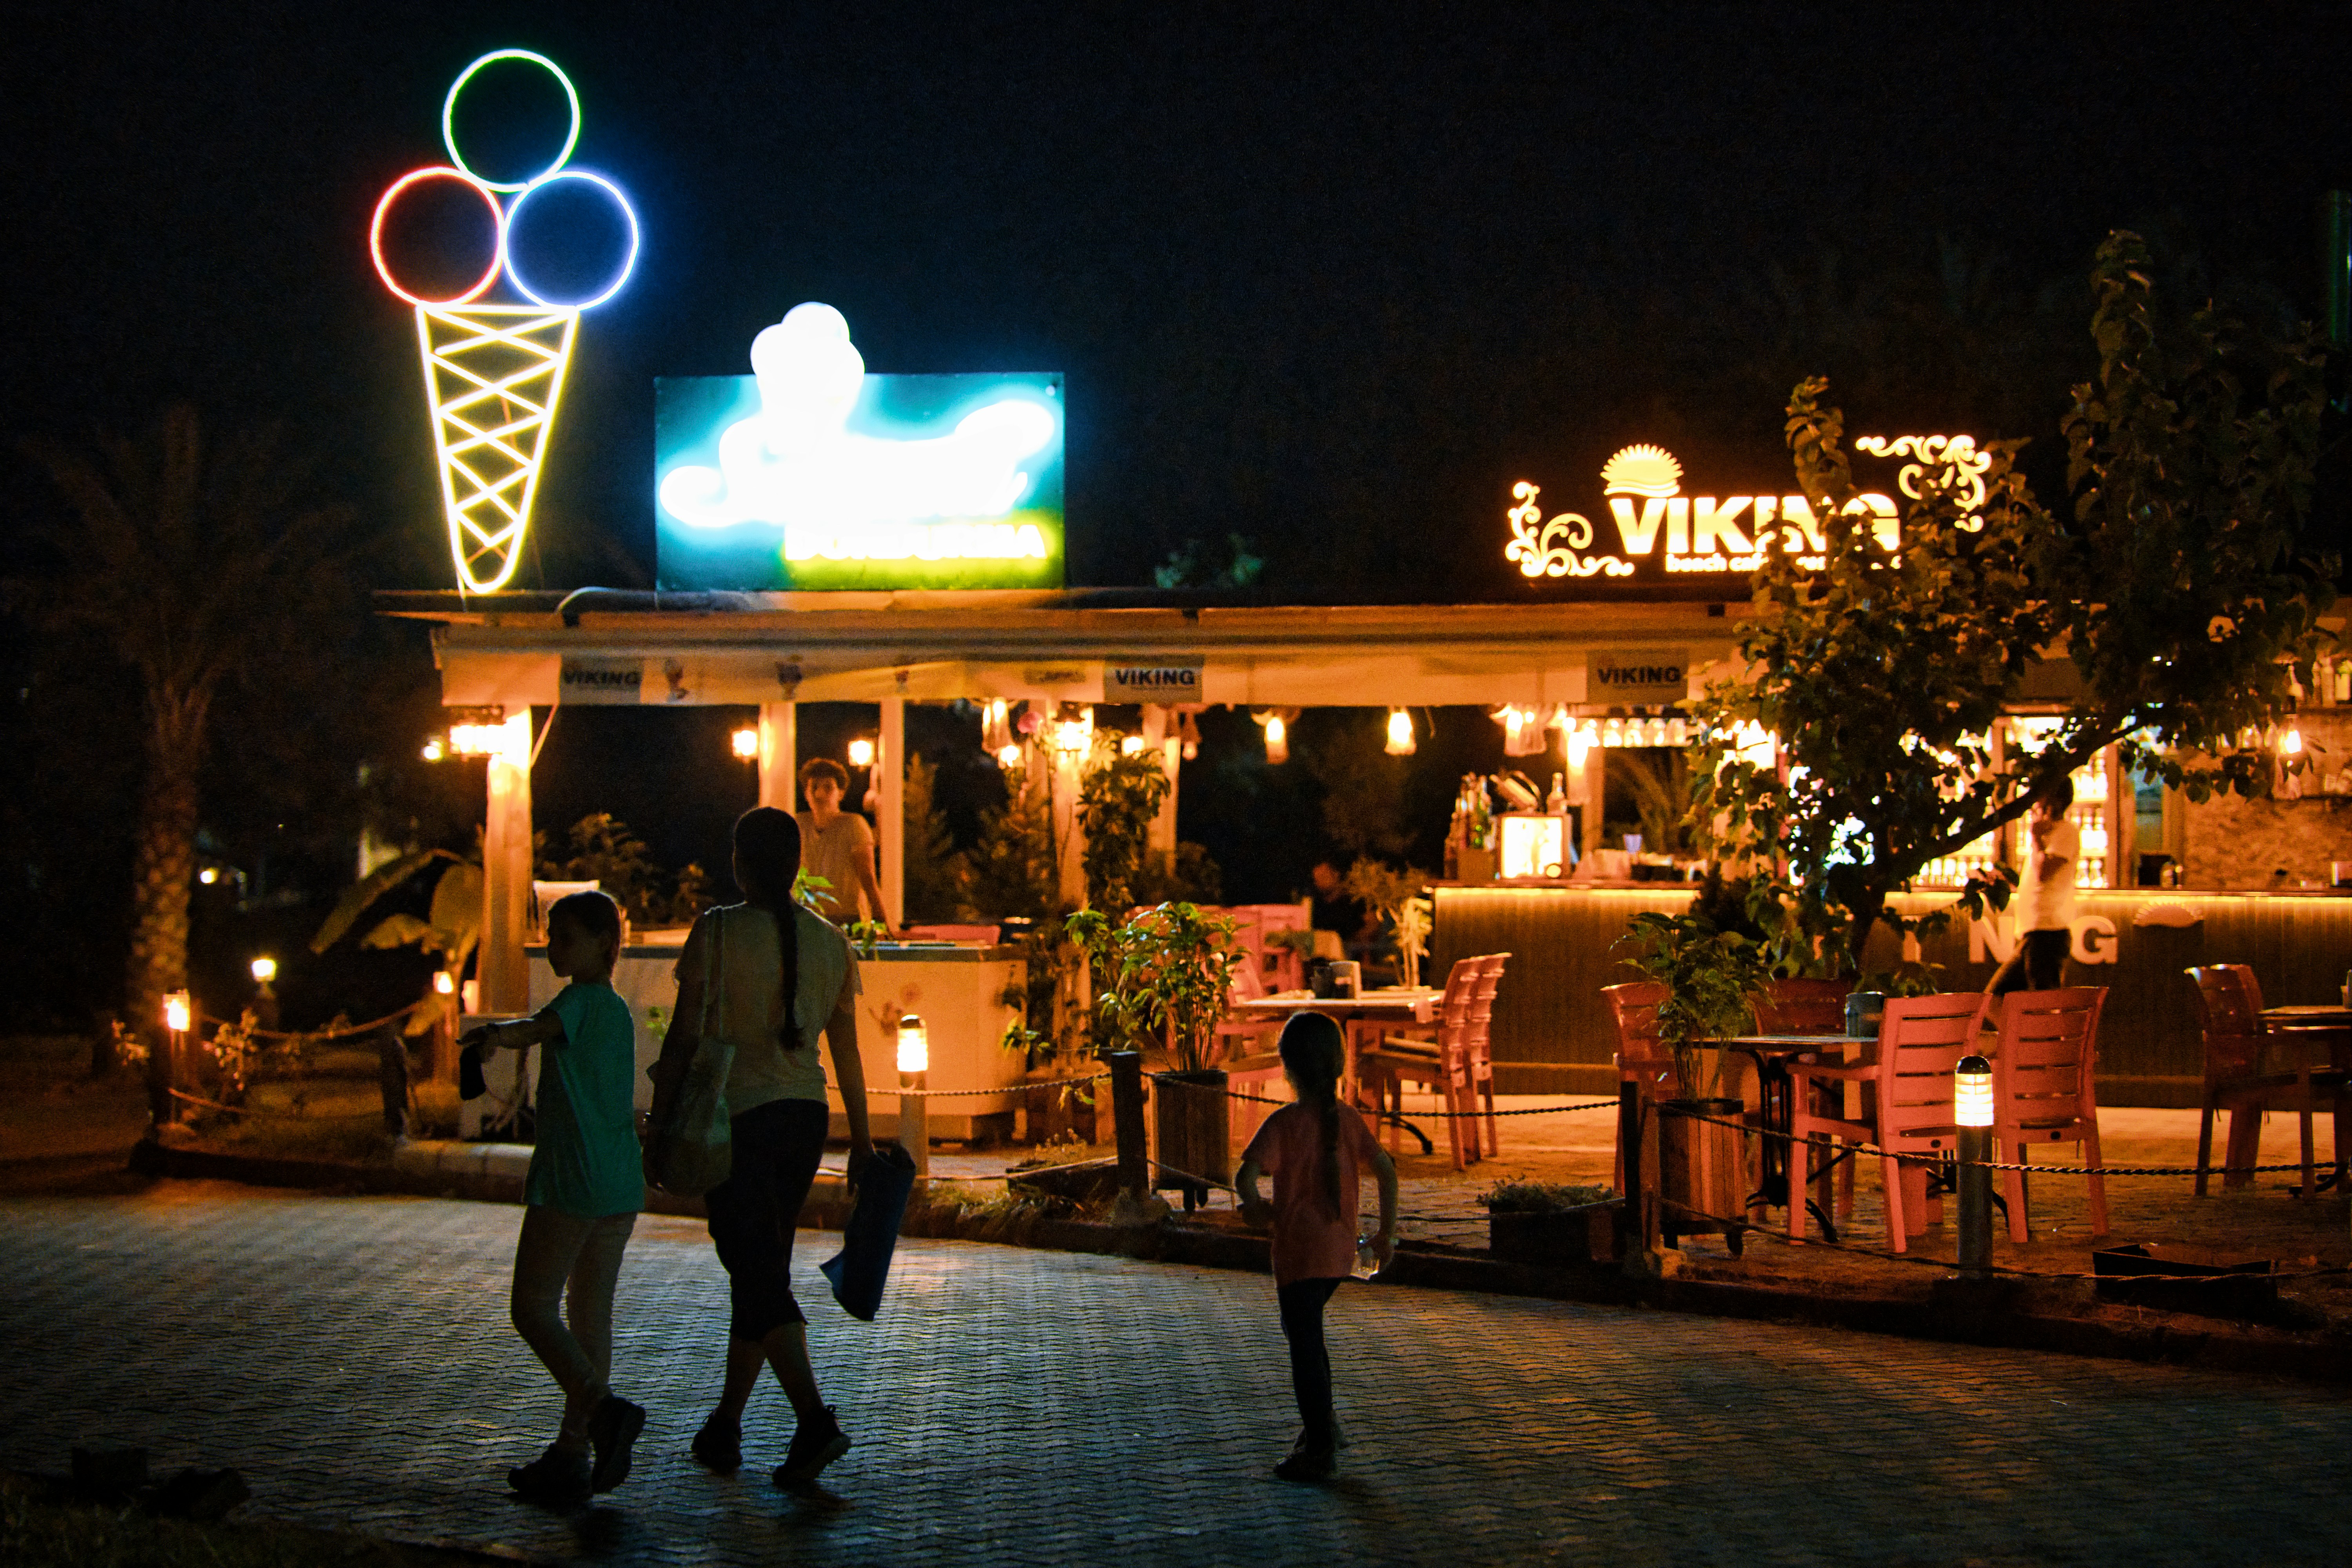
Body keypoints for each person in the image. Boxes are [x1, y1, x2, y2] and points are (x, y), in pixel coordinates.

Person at [650, 806, 875, 1490]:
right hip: (805, 1121)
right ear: (797, 865)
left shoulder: (715, 933)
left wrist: (658, 1127)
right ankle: (725, 1426)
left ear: (739, 864)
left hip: (734, 1122)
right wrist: (862, 1140)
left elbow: (683, 1037)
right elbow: (849, 1054)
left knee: (757, 1274)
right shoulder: (833, 941)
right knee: (760, 1269)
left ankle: (814, 1424)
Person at [458, 890, 647, 1507]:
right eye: (552, 936)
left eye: (566, 937)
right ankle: (572, 1453)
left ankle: (601, 1414)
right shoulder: (617, 1010)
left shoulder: (581, 1001)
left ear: (604, 945)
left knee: (533, 1307)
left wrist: (490, 1036)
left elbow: (537, 1030)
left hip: (573, 1181)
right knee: (591, 1316)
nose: (552, 947)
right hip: (619, 1183)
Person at [1234, 1013, 1399, 1483]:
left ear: (1287, 1068)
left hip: (1298, 1253)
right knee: (1310, 1334)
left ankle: (1320, 1444)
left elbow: (1245, 1178)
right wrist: (1385, 1232)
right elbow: (1386, 1170)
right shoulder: (1347, 1119)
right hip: (1338, 1251)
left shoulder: (1283, 1123)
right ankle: (1323, 1426)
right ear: (1339, 1065)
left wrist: (1256, 1208)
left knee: (1303, 1343)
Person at [1989, 777, 2078, 996]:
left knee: (2043, 1003)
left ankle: (2042, 1031)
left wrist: (2037, 838)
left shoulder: (2067, 832)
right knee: (1995, 997)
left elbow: (2044, 873)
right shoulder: (2049, 832)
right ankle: (2025, 1032)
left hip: (2049, 933)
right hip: (2035, 934)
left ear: (2054, 798)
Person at [795, 758, 891, 928]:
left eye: (828, 787)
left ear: (841, 793)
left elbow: (867, 877)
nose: (820, 794)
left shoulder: (854, 824)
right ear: (806, 794)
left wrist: (880, 918)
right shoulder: (798, 825)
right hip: (807, 916)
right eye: (814, 787)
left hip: (847, 917)